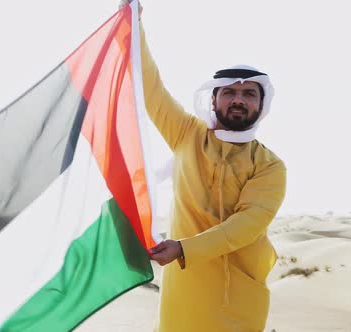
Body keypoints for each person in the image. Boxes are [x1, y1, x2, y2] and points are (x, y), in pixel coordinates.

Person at [122, 1, 287, 331]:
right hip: (185, 289)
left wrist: (184, 248)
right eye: (229, 92)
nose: (238, 99)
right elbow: (151, 88)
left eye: (249, 94)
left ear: (261, 103)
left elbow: (247, 224)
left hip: (240, 296)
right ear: (214, 99)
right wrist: (133, 25)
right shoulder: (187, 135)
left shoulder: (270, 166)